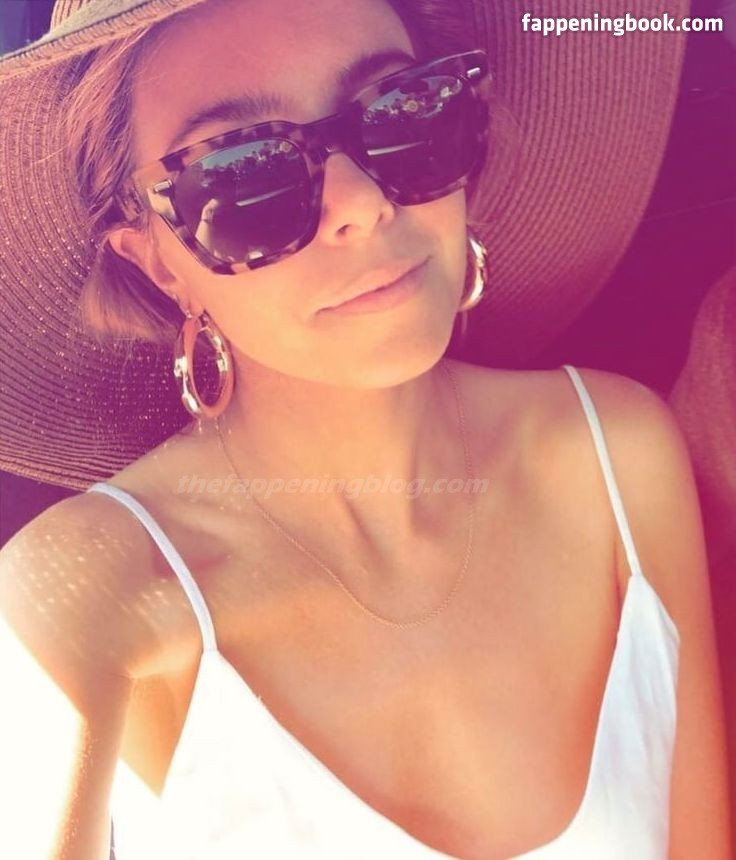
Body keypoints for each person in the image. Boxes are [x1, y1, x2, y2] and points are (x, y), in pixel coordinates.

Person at [0, 0, 731, 858]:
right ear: (158, 261)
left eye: (401, 110)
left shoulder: (618, 456)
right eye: (243, 172)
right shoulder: (86, 592)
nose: (361, 204)